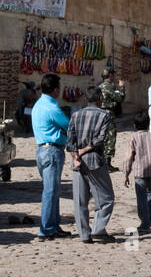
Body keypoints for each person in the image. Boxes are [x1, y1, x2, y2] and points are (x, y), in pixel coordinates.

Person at [66, 86, 115, 244]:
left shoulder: (76, 115)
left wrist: (75, 155)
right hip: (94, 160)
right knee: (106, 198)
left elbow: (70, 141)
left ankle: (84, 234)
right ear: (100, 98)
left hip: (77, 162)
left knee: (80, 200)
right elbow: (100, 139)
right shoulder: (104, 115)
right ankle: (98, 230)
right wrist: (83, 151)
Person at [32, 73, 70, 241]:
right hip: (52, 151)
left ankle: (53, 226)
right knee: (50, 191)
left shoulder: (38, 105)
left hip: (42, 151)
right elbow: (69, 125)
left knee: (52, 191)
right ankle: (46, 229)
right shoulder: (52, 108)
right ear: (55, 90)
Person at [123, 110, 151, 232]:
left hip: (139, 171)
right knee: (150, 193)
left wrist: (126, 174)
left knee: (141, 196)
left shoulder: (133, 138)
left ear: (134, 126)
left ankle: (145, 222)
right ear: (148, 125)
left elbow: (128, 158)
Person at [98, 68, 126, 171]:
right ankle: (107, 164)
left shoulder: (99, 86)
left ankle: (102, 162)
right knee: (110, 138)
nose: (114, 76)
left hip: (100, 113)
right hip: (108, 114)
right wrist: (122, 87)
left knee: (102, 137)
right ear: (110, 75)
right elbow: (120, 98)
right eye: (113, 74)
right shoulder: (110, 86)